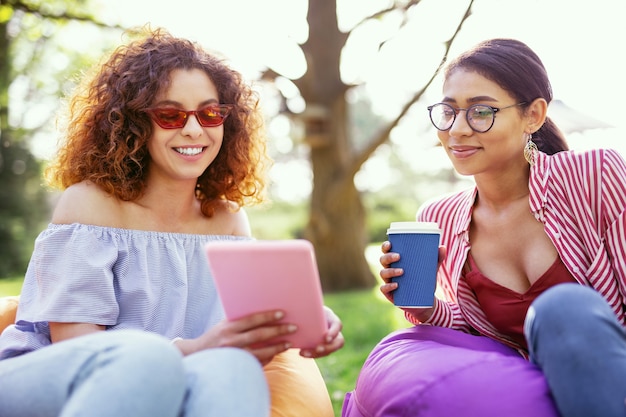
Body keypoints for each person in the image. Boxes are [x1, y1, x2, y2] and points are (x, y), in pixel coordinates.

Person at [0, 26, 344, 417]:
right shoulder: (89, 206)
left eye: (210, 113)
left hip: (164, 387)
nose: (194, 128)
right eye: (170, 114)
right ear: (134, 123)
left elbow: (236, 333)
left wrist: (302, 319)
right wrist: (194, 349)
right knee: (144, 357)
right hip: (56, 383)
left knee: (233, 367)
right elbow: (76, 344)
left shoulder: (228, 222)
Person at [342, 38, 626, 417]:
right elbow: (476, 340)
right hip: (525, 396)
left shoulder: (594, 177)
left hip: (611, 381)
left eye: (480, 111)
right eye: (448, 111)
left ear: (534, 115)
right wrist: (426, 310)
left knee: (563, 309)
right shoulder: (439, 217)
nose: (457, 129)